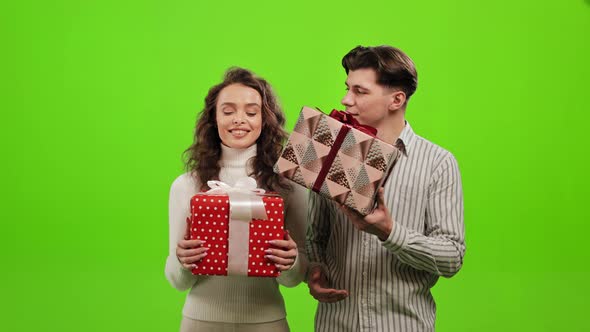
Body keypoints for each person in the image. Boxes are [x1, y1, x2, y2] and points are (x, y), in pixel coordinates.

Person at [306, 45, 465, 331]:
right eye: (347, 88)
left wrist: (389, 232)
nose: (345, 100)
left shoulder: (438, 162)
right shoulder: (330, 149)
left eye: (360, 91)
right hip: (336, 324)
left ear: (396, 99)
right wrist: (315, 271)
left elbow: (452, 256)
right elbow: (315, 235)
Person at [165, 67, 308, 332]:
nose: (239, 119)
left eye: (251, 112)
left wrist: (291, 261)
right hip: (200, 322)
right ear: (213, 119)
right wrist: (183, 261)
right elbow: (177, 281)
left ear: (265, 120)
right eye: (228, 111)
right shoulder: (186, 186)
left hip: (268, 322)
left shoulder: (288, 186)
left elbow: (294, 279)